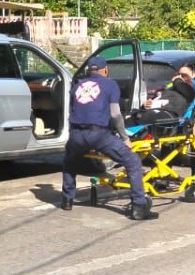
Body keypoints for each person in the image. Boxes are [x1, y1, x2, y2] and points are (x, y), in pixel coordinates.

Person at [61, 57, 157, 220]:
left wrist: (74, 137)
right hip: (99, 134)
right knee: (132, 161)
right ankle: (139, 207)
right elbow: (115, 115)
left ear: (89, 70)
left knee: (69, 161)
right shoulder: (110, 84)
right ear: (105, 70)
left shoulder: (77, 86)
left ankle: (67, 200)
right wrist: (124, 137)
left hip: (77, 133)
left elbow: (72, 112)